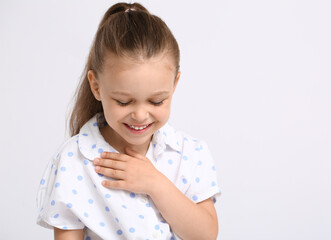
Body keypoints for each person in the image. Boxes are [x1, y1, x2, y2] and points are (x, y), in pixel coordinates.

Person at [36, 2, 221, 240]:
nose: (141, 115)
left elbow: (206, 235)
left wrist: (154, 183)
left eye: (156, 101)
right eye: (124, 102)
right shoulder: (74, 161)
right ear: (96, 86)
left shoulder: (189, 153)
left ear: (174, 85)